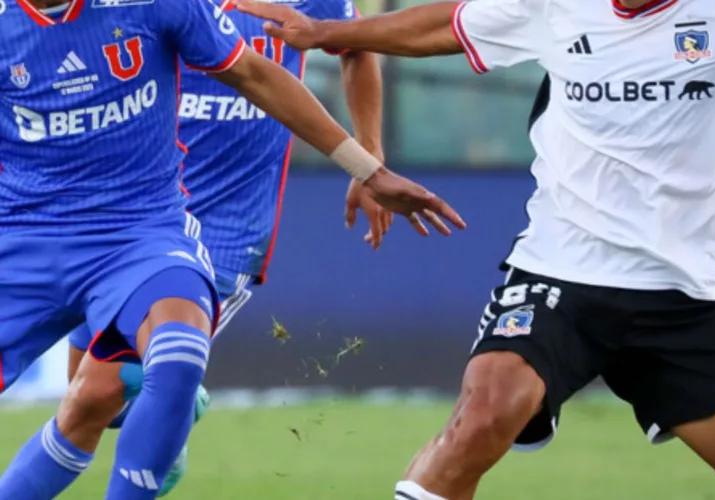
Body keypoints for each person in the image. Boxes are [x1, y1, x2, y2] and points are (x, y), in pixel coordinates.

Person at [235, 0, 715, 498]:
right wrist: (325, 33)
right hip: (558, 277)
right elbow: (445, 27)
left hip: (682, 298)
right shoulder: (555, 7)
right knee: (482, 417)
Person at [0, 0, 464, 497]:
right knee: (90, 405)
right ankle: (168, 421)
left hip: (194, 229)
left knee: (121, 380)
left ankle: (166, 408)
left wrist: (368, 160)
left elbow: (321, 55)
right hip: (58, 223)